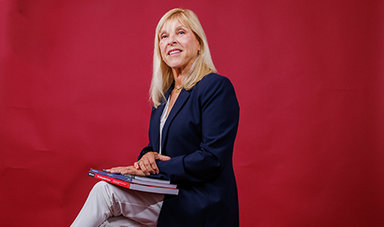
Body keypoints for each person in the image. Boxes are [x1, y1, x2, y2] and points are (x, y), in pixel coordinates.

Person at [71, 8, 239, 227]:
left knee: (104, 192)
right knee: (109, 225)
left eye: (180, 32)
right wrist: (146, 158)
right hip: (166, 193)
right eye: (164, 36)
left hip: (199, 201)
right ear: (159, 48)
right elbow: (158, 149)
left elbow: (212, 159)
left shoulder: (215, 87)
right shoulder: (164, 96)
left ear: (199, 43)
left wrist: (155, 167)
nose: (171, 41)